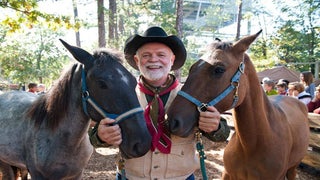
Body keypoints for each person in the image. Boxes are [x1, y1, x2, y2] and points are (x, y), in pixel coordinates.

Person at [89, 26, 230, 180]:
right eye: (146, 55)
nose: (153, 59)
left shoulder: (193, 94)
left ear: (172, 60)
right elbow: (95, 136)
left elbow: (222, 134)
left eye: (161, 54)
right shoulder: (118, 95)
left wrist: (216, 127)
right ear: (137, 60)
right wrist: (101, 136)